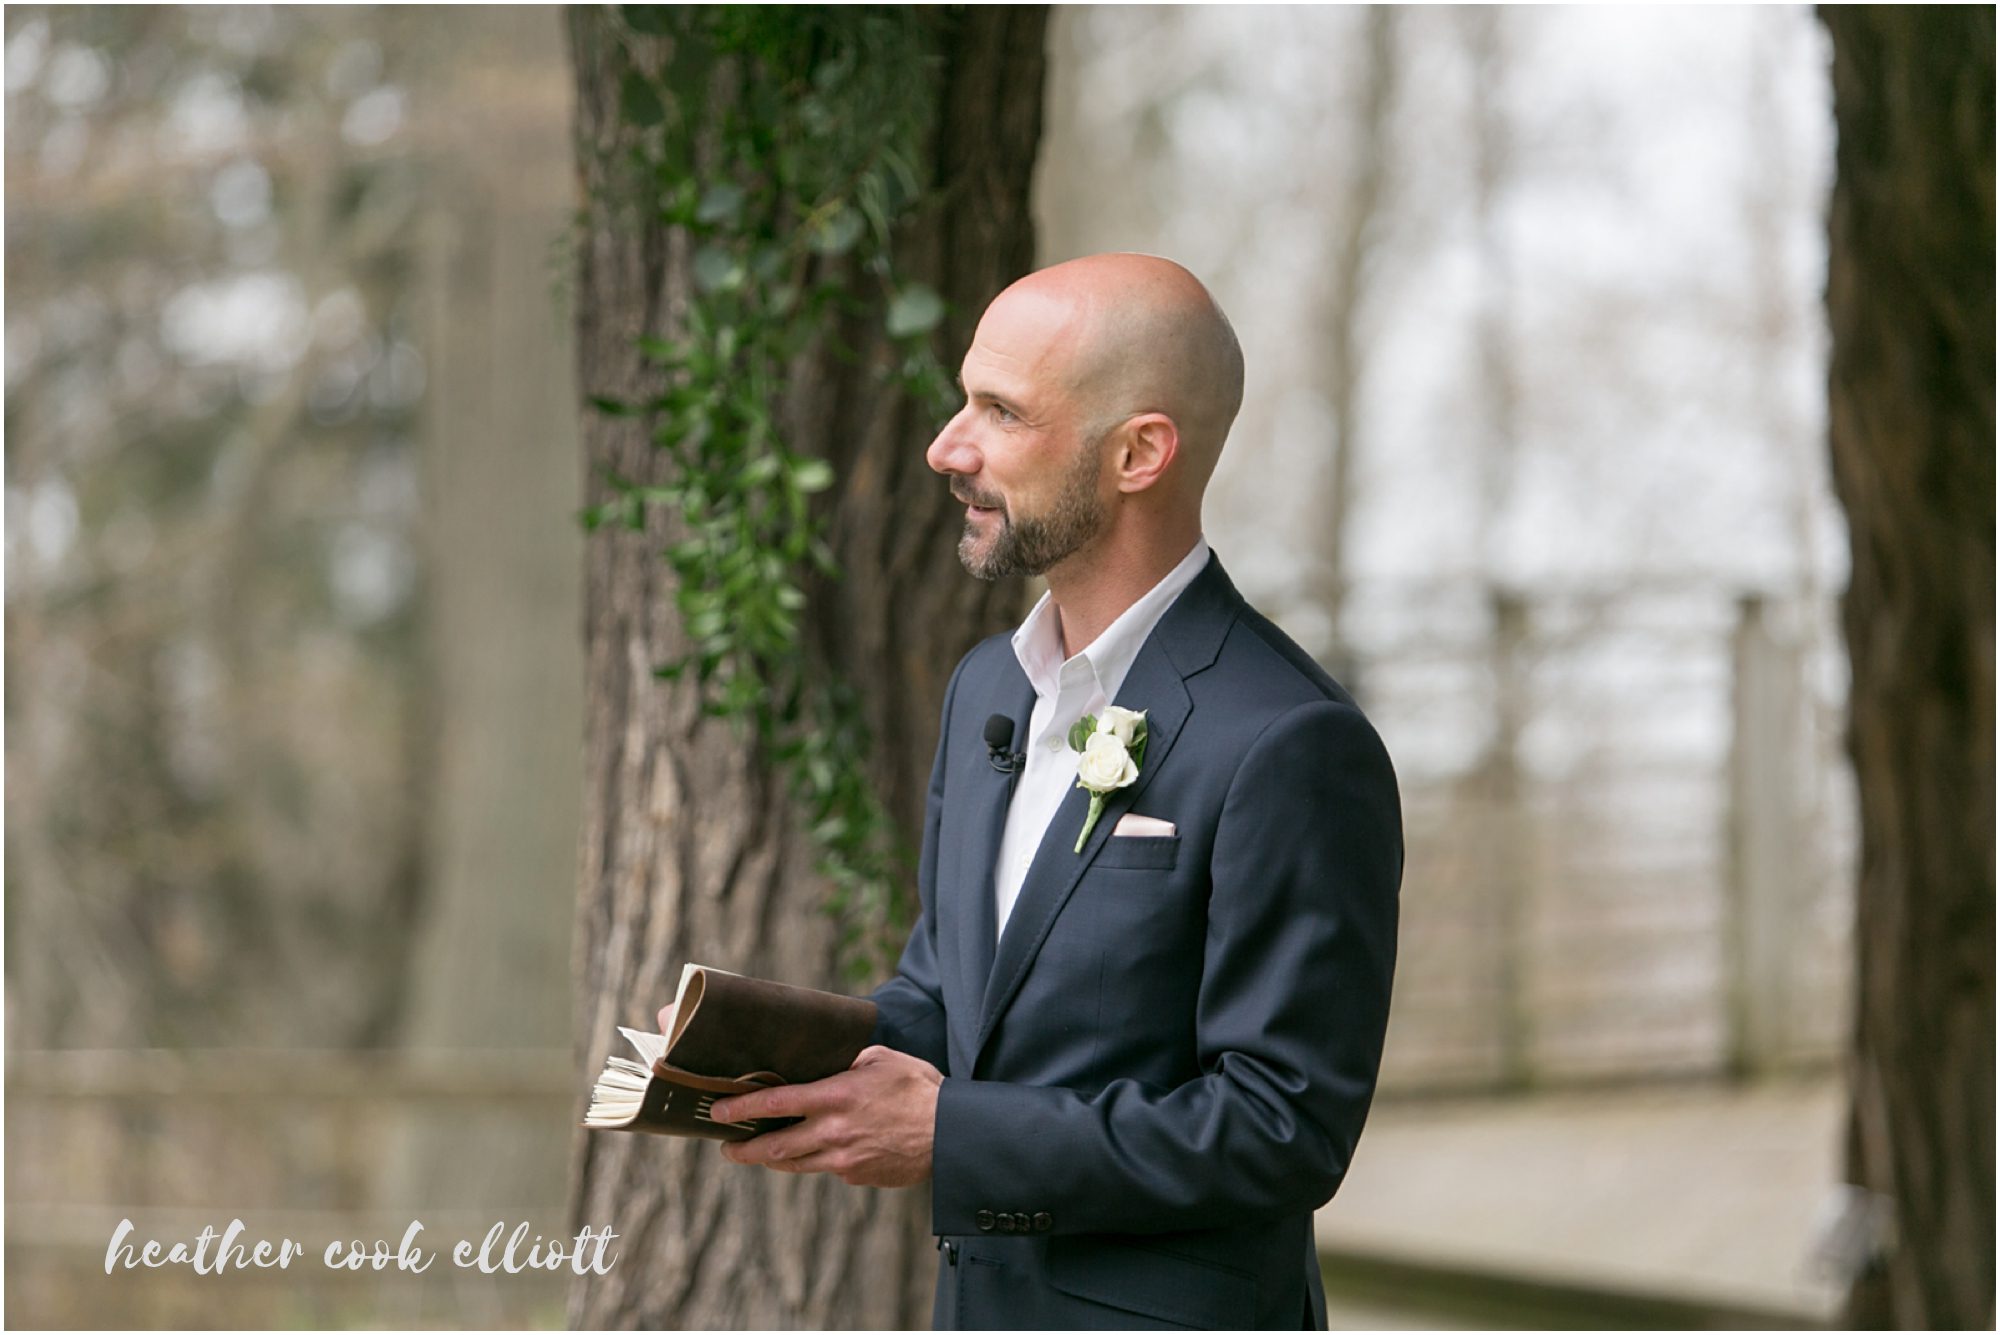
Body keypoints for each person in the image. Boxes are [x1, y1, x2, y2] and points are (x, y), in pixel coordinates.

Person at [708, 252, 1403, 1330]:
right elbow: (950, 1000)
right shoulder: (986, 687)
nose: (948, 446)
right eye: (964, 400)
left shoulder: (1291, 741)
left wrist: (952, 1135)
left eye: (1001, 411)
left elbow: (1282, 1130)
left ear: (1137, 454)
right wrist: (758, 1056)